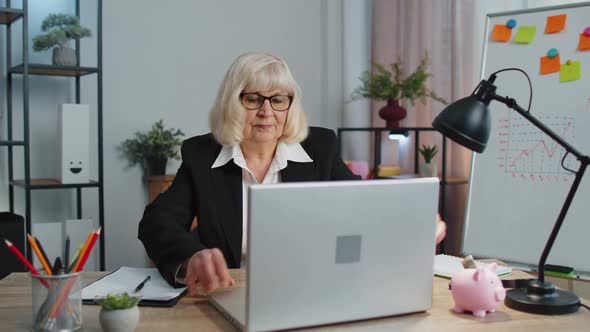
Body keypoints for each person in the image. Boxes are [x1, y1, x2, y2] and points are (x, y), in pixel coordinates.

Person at [138, 52, 446, 296]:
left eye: (278, 99)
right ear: (232, 102)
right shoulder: (201, 154)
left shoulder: (320, 148)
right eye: (252, 98)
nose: (266, 111)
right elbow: (156, 222)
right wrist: (190, 256)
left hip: (309, 292)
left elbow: (363, 205)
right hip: (229, 294)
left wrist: (409, 220)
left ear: (290, 105)